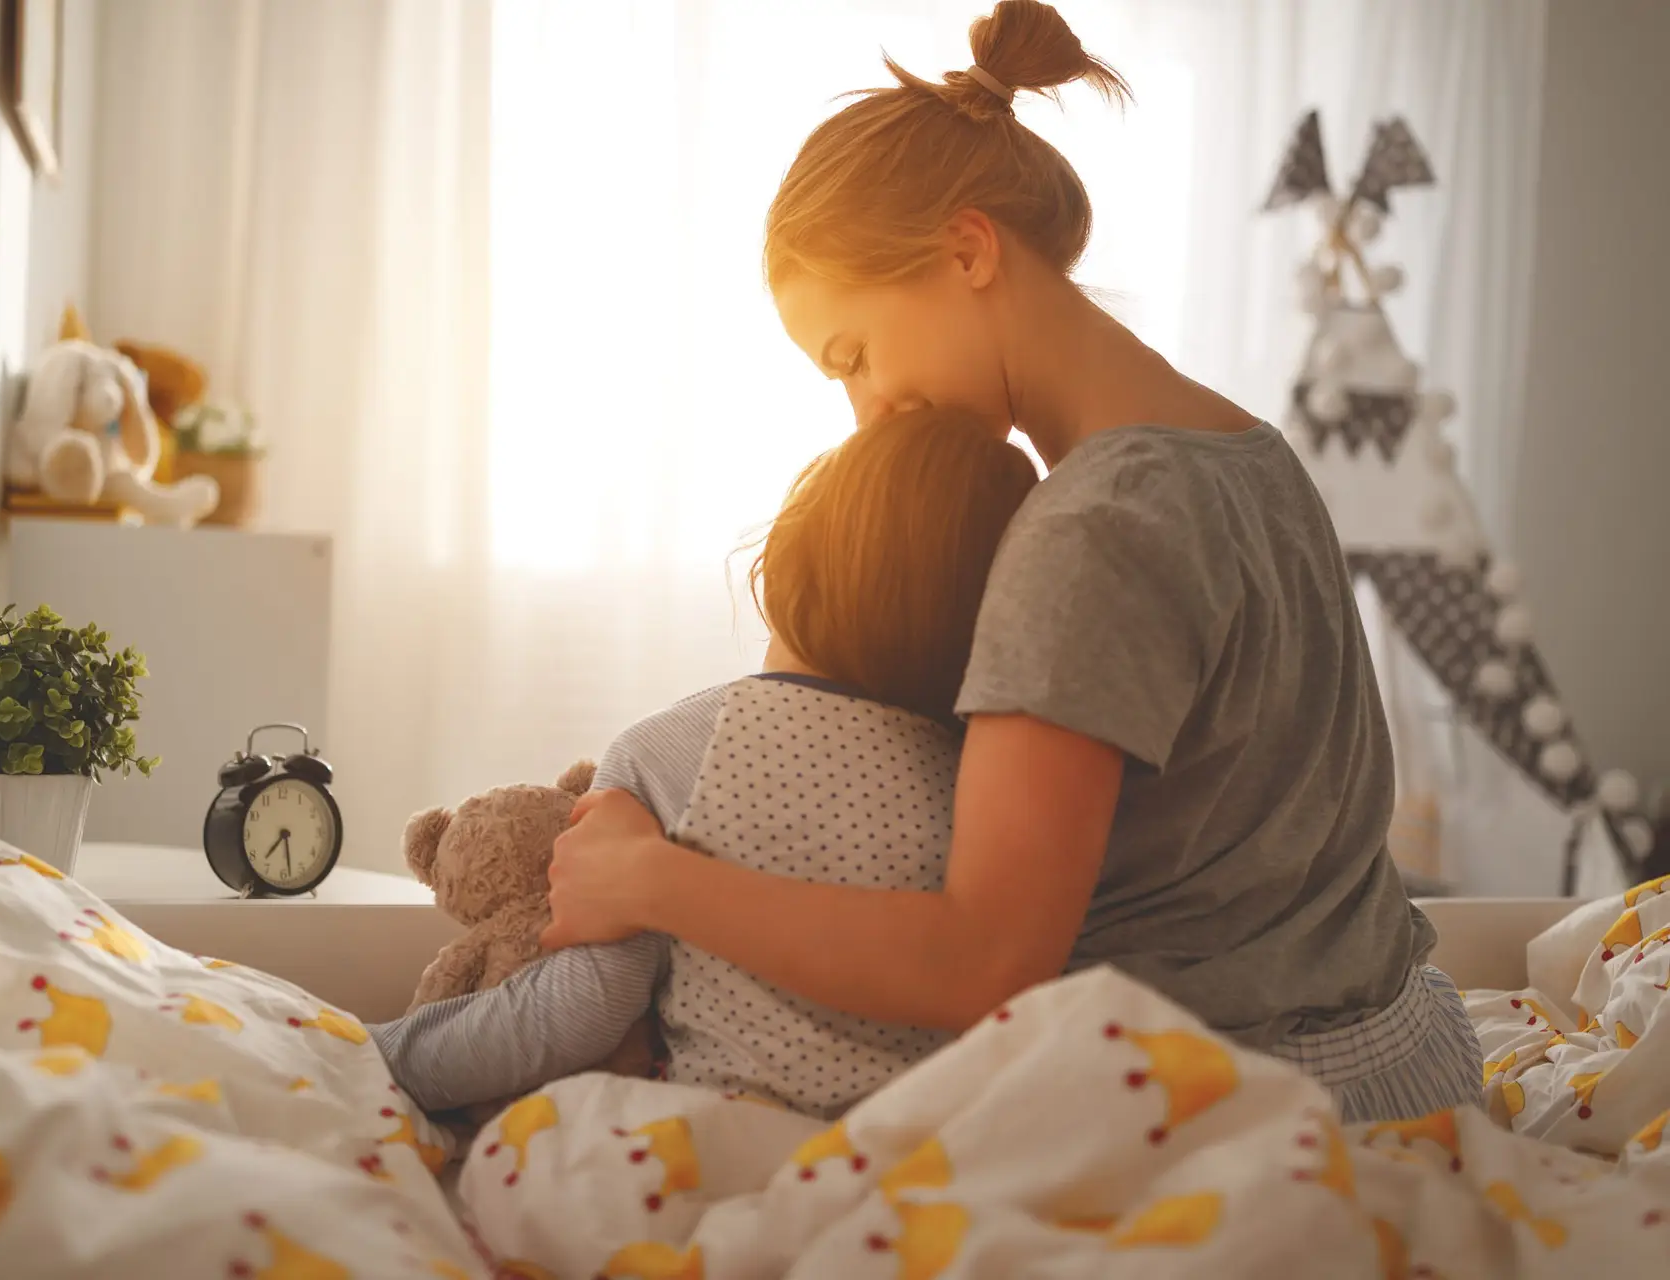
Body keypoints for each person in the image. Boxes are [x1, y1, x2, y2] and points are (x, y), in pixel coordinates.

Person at [539, 0, 1483, 1124]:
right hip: (1410, 1047)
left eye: (855, 353)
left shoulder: (1090, 529)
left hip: (1239, 1100)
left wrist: (653, 878)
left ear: (967, 249)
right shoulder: (1243, 446)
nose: (864, 409)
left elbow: (982, 964)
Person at [371, 408, 1038, 1117]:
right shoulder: (987, 776)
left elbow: (581, 1009)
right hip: (919, 1154)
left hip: (722, 1139)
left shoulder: (670, 751)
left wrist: (381, 1058)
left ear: (786, 553)